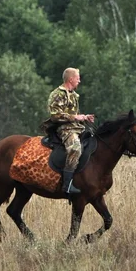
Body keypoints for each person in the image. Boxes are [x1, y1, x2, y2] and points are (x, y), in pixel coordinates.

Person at [43, 67, 94, 196]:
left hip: (76, 127)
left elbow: (73, 114)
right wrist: (75, 117)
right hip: (63, 128)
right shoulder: (57, 94)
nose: (79, 81)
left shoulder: (73, 95)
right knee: (75, 148)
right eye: (78, 78)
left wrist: (84, 117)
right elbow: (55, 116)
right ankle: (67, 185)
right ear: (71, 79)